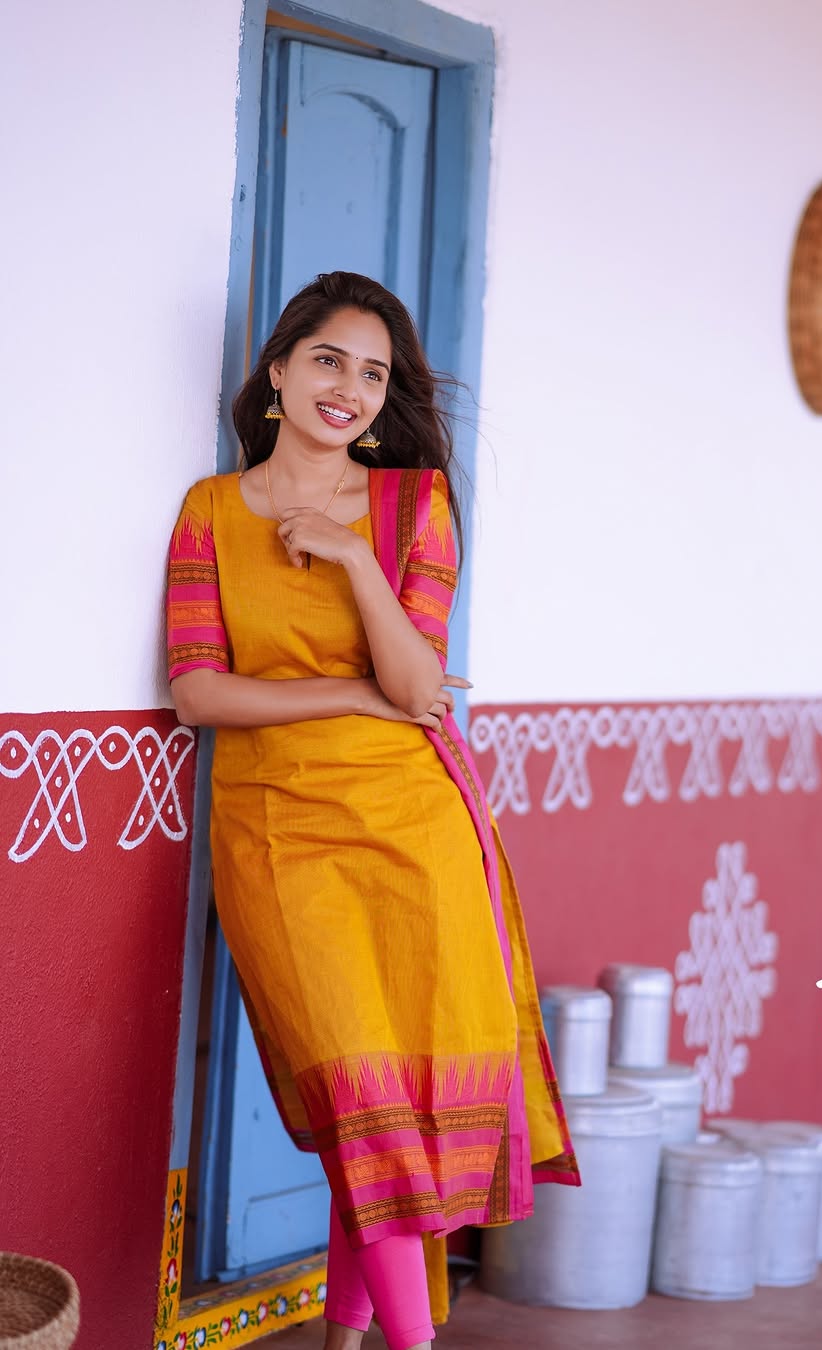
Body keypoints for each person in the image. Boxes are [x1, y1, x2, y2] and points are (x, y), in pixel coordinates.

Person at [166, 271, 578, 1350]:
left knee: (394, 1106)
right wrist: (350, 695)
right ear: (278, 372)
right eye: (327, 360)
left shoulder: (411, 506)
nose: (348, 388)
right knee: (361, 1098)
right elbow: (199, 694)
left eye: (373, 373)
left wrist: (353, 557)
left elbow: (417, 683)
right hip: (278, 833)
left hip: (412, 828)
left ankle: (349, 1337)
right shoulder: (212, 513)